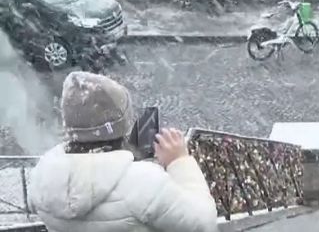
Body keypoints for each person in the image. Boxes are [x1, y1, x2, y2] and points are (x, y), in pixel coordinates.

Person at [28, 71, 218, 232]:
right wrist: (179, 161)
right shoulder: (143, 183)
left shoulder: (42, 177)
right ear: (123, 124)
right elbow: (204, 224)